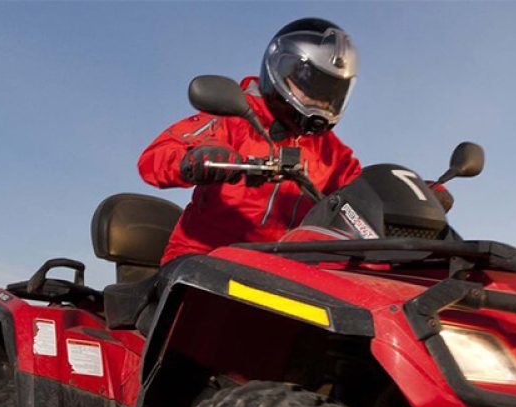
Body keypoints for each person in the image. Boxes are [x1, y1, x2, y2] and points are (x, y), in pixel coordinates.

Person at [139, 17, 364, 264]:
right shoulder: (234, 117)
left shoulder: (334, 155)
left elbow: (364, 200)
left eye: (330, 94)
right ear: (281, 69)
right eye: (312, 86)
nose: (321, 102)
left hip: (286, 272)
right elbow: (154, 159)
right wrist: (197, 158)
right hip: (204, 260)